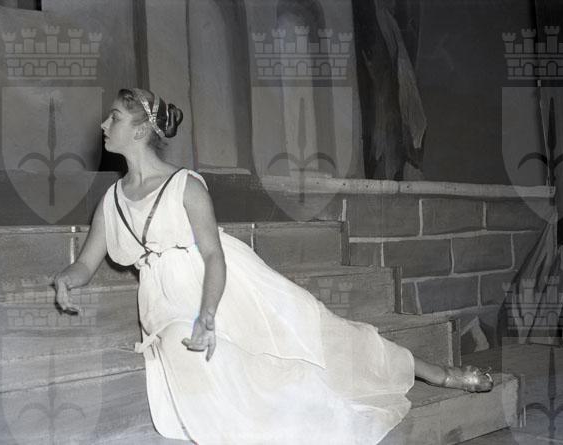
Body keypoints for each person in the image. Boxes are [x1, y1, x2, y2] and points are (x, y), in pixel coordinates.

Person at [53, 88, 493, 444]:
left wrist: (207, 315)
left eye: (113, 117)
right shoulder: (112, 200)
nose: (103, 125)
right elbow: (87, 262)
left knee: (324, 333)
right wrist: (66, 280)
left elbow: (213, 255)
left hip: (225, 287)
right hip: (165, 304)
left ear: (139, 130)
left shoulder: (185, 186)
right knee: (205, 358)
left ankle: (438, 373)